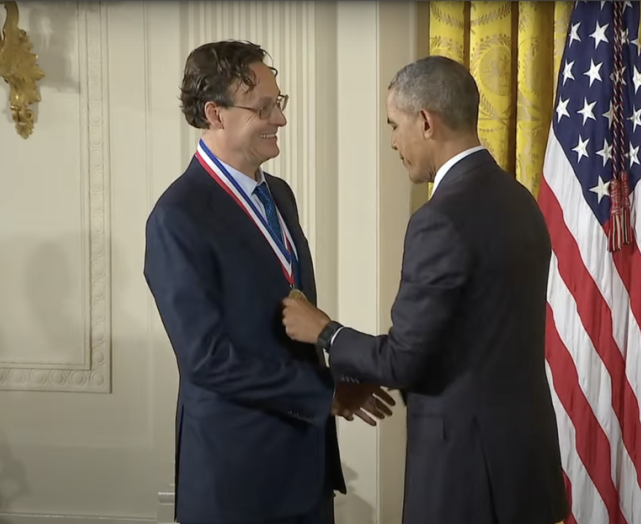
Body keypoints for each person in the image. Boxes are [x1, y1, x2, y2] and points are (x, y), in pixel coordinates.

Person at [281, 55, 569, 524]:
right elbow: (474, 334)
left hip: (465, 477)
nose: (394, 141)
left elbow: (403, 360)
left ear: (426, 121)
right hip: (524, 467)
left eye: (395, 125)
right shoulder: (520, 200)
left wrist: (325, 332)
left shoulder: (438, 220)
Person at [143, 40, 394, 524]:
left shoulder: (279, 193)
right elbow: (207, 362)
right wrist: (325, 392)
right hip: (237, 479)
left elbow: (285, 321)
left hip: (305, 467)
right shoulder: (177, 217)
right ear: (215, 114)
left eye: (279, 103)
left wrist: (338, 365)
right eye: (264, 107)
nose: (279, 119)